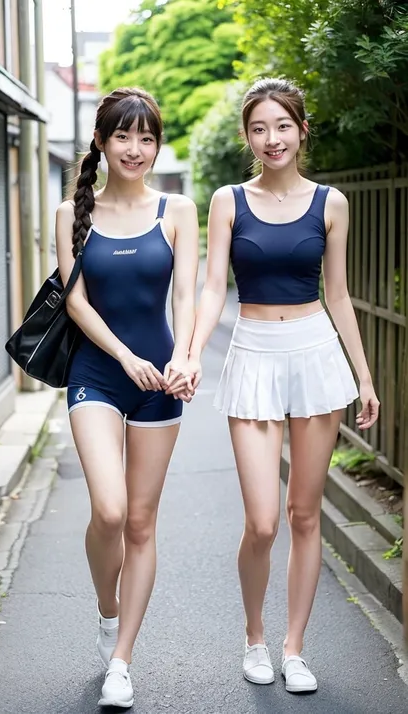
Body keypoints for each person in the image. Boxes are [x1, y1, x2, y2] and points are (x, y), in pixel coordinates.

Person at [186, 78, 379, 694]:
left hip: (315, 354)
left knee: (302, 513)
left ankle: (295, 648)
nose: (272, 138)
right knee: (262, 520)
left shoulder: (331, 203)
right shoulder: (227, 200)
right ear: (248, 136)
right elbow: (214, 288)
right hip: (253, 357)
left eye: (283, 126)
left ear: (302, 130)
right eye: (260, 128)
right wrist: (190, 353)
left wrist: (363, 375)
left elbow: (339, 294)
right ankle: (255, 639)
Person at [55, 87, 198, 708]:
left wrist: (186, 357)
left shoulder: (178, 210)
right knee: (109, 512)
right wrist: (125, 357)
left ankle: (121, 659)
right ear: (101, 143)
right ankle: (106, 609)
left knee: (140, 522)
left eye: (146, 138)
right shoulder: (71, 215)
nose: (135, 149)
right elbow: (76, 302)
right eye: (123, 137)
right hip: (100, 372)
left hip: (161, 381)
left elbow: (188, 298)